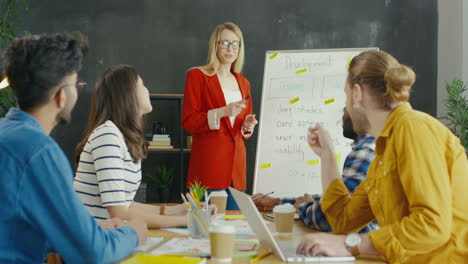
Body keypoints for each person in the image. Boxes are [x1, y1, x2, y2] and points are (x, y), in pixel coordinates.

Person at [296, 50, 468, 263]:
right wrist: (327, 156)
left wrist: (349, 244)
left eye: (346, 94)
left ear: (357, 93)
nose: (347, 105)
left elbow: (431, 226)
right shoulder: (383, 152)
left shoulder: (413, 128)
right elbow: (343, 222)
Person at [0, 33, 147, 263]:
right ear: (60, 96)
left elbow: (12, 229)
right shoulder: (39, 151)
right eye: (76, 85)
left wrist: (93, 229)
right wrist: (134, 232)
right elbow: (94, 253)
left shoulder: (6, 133)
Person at [74, 64, 189, 228]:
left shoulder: (121, 136)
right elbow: (119, 213)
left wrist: (175, 211)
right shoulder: (107, 135)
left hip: (105, 236)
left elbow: (125, 204)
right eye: (142, 85)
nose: (147, 90)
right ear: (127, 94)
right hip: (92, 240)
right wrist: (184, 221)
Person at [252, 108, 378, 233]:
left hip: (358, 250)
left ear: (358, 96)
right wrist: (278, 202)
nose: (344, 110)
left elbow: (329, 218)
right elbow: (339, 199)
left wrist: (302, 206)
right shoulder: (371, 148)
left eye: (348, 102)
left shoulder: (365, 153)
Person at [182, 22, 258, 210]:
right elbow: (188, 122)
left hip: (236, 169)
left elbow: (240, 131)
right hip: (209, 166)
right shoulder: (198, 76)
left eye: (235, 44)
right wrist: (222, 111)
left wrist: (248, 126)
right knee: (203, 227)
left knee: (236, 228)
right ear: (215, 45)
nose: (230, 49)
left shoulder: (243, 82)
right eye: (224, 43)